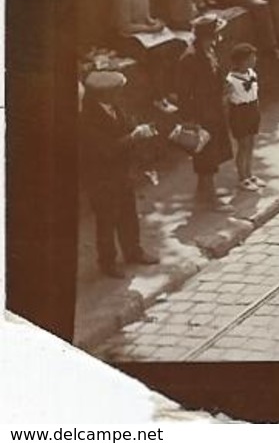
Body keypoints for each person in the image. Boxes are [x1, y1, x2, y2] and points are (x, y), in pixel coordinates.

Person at [81, 70, 161, 278]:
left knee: (128, 213)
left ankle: (133, 251)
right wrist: (133, 137)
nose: (121, 94)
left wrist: (140, 130)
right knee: (106, 220)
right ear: (104, 94)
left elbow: (126, 126)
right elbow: (105, 149)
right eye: (117, 91)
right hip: (101, 177)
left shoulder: (115, 107)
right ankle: (107, 263)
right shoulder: (88, 118)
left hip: (121, 173)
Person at [173, 15, 235, 206]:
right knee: (206, 156)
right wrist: (189, 119)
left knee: (211, 153)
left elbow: (214, 75)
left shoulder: (209, 51)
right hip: (201, 113)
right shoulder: (191, 58)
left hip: (213, 109)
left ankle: (203, 191)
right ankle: (211, 199)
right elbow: (183, 91)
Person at [223, 43, 264, 190]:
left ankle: (250, 173)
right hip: (239, 112)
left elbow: (254, 92)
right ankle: (242, 178)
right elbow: (226, 100)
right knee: (243, 145)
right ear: (240, 61)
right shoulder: (230, 80)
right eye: (250, 58)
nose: (254, 60)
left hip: (252, 109)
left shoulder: (252, 73)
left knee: (251, 143)